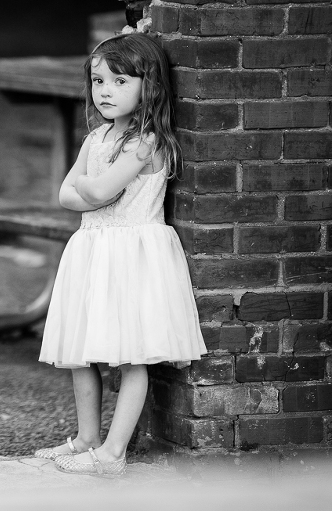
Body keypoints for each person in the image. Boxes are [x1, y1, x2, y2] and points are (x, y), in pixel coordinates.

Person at [35, 33, 207, 477]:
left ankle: (113, 453)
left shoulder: (146, 143)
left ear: (149, 86)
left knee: (132, 356)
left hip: (132, 257)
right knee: (79, 350)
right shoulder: (97, 137)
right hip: (94, 251)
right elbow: (66, 195)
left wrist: (89, 189)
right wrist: (90, 189)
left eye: (119, 81)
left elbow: (95, 191)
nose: (105, 91)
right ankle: (87, 438)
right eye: (98, 81)